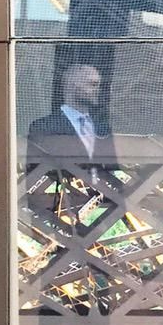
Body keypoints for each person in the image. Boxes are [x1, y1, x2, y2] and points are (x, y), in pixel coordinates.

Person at [27, 63, 117, 231]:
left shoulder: (104, 128)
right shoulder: (43, 127)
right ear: (72, 85)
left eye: (98, 84)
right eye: (92, 84)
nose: (98, 90)